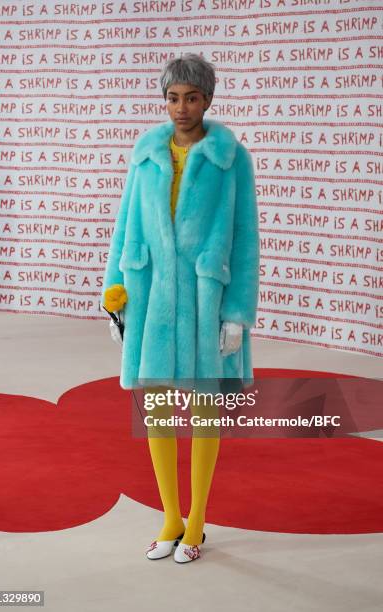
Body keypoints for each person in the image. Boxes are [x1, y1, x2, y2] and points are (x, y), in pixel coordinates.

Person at [101, 53, 259, 563]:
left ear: (208, 100)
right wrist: (115, 291)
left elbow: (245, 239)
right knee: (158, 409)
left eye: (192, 97)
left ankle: (197, 521)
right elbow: (125, 226)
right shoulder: (145, 154)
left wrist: (236, 312)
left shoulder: (231, 159)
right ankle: (169, 516)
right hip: (151, 298)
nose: (181, 107)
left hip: (205, 297)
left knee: (206, 411)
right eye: (173, 97)